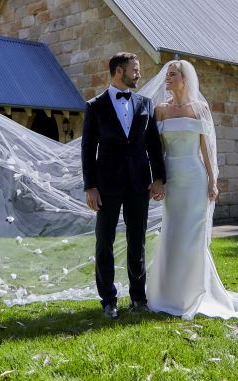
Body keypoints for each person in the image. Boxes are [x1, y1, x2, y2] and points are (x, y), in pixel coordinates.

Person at [144, 60, 238, 320]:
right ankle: (167, 293)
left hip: (194, 178)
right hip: (171, 176)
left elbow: (207, 148)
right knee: (172, 231)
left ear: (185, 79)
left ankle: (194, 294)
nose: (167, 78)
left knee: (192, 235)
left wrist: (213, 181)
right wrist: (156, 179)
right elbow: (156, 151)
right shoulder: (159, 110)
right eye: (167, 75)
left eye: (173, 75)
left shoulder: (201, 109)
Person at [81, 52, 166, 319]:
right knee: (104, 240)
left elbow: (154, 144)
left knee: (137, 240)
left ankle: (138, 297)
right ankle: (108, 300)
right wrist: (90, 186)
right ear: (120, 71)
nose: (139, 74)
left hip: (139, 182)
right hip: (106, 184)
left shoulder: (146, 103)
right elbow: (87, 149)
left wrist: (159, 178)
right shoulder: (95, 106)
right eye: (135, 69)